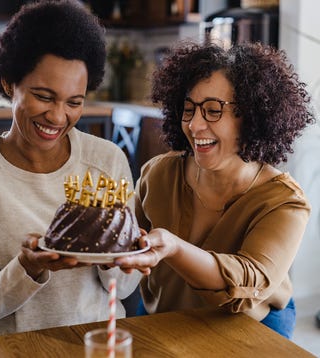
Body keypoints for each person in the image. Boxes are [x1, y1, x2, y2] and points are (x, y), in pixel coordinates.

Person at [0, 0, 141, 338]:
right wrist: (28, 266)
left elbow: (126, 288)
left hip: (95, 344)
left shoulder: (107, 161)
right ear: (9, 83)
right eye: (44, 96)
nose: (58, 117)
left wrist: (108, 252)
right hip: (10, 350)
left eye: (74, 102)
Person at [114, 41, 315, 339]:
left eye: (212, 110)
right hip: (166, 314)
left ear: (252, 116)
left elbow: (249, 287)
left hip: (252, 322)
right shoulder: (159, 174)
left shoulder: (284, 201)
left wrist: (175, 247)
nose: (194, 125)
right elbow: (126, 245)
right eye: (189, 109)